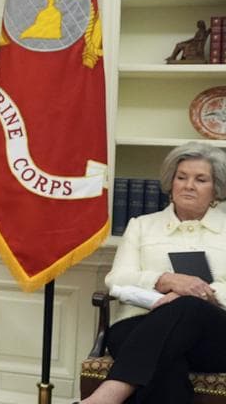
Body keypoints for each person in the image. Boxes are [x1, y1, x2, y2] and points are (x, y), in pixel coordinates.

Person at [82, 142, 226, 404]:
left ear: (216, 189)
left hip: (213, 335)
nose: (188, 185)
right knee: (166, 366)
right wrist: (164, 281)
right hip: (139, 323)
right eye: (181, 177)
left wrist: (196, 294)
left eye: (200, 179)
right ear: (171, 183)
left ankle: (104, 397)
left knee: (188, 307)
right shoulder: (142, 225)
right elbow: (117, 279)